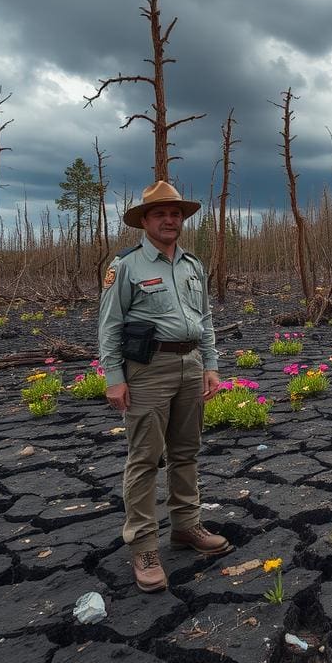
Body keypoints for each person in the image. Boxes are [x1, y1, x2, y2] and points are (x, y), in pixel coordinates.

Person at [98, 180, 230, 593]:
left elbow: (205, 319)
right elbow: (110, 326)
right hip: (148, 370)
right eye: (161, 214)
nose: (170, 220)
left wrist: (210, 365)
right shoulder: (126, 266)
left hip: (191, 365)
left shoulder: (193, 265)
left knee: (186, 452)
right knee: (145, 458)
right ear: (145, 221)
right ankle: (143, 546)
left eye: (176, 214)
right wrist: (114, 379)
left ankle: (186, 526)